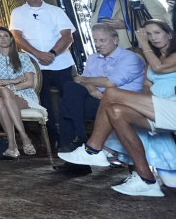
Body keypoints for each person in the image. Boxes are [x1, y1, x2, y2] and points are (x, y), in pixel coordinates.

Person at [59, 20, 176, 196]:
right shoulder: (152, 60)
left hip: (172, 107)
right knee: (115, 111)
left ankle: (93, 148)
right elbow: (146, 86)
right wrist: (142, 106)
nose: (152, 38)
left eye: (157, 33)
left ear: (170, 34)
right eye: (149, 34)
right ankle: (147, 180)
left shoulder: (165, 57)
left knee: (111, 93)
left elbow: (160, 68)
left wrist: (143, 43)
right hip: (156, 108)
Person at [57, 23, 145, 155]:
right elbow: (78, 81)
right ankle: (80, 137)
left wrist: (84, 80)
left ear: (115, 40)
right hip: (96, 98)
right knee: (70, 87)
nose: (98, 44)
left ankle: (77, 146)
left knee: (67, 107)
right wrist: (91, 87)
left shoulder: (130, 58)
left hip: (122, 102)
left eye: (102, 40)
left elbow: (109, 82)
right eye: (95, 40)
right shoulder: (93, 58)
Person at [9, 0, 75, 146]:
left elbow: (67, 36)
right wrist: (37, 54)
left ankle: (73, 137)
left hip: (61, 62)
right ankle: (52, 140)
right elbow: (17, 36)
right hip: (35, 64)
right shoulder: (17, 12)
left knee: (68, 98)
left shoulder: (56, 11)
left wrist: (52, 53)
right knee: (43, 101)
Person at [0, 27, 40, 159]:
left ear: (11, 39)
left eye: (6, 36)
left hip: (23, 94)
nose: (3, 38)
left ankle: (12, 146)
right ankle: (24, 137)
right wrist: (12, 81)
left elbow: (30, 82)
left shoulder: (23, 57)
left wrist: (11, 88)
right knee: (2, 92)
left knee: (1, 100)